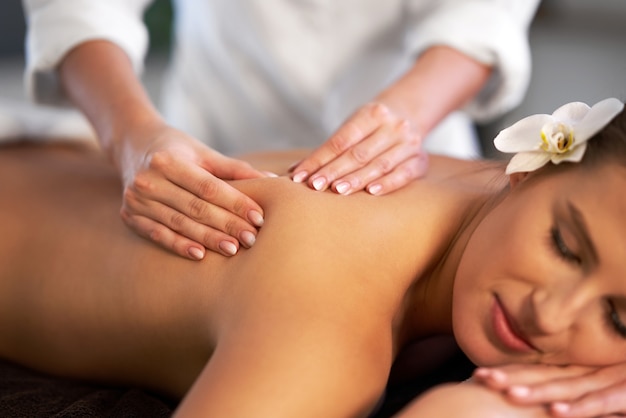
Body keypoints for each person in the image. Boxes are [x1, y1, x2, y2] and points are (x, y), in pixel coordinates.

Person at [2, 98, 624, 418]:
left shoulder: (461, 183)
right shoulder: (327, 335)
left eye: (619, 317)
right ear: (528, 169)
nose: (551, 312)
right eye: (564, 246)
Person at [21, 0, 541, 261]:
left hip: (409, 165)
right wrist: (130, 134)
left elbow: (483, 18)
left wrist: (405, 113)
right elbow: (78, 9)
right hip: (205, 148)